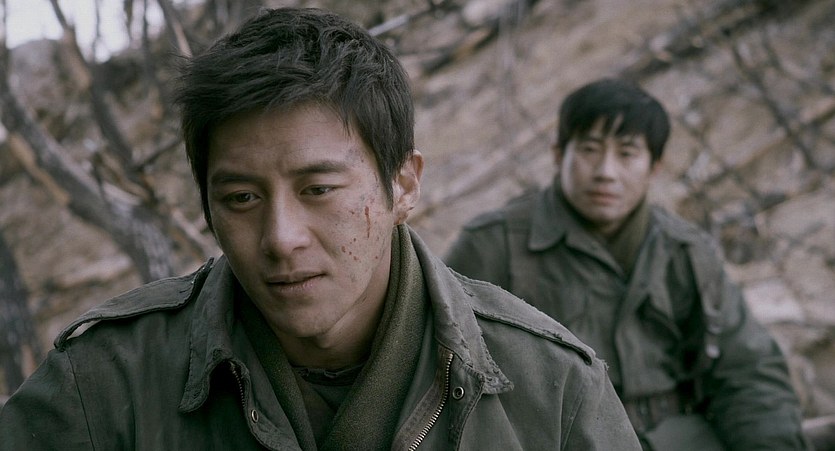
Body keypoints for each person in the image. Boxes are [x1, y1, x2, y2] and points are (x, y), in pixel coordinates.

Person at [0, 9, 641, 450]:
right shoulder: (104, 382)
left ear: (403, 185)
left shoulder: (553, 391)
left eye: (318, 190)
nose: (282, 238)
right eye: (242, 198)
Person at [445, 78, 810, 450]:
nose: (606, 171)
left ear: (654, 167)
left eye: (627, 153)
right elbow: (448, 366)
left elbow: (747, 371)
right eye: (590, 149)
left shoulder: (684, 251)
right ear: (558, 155)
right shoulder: (494, 245)